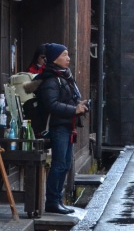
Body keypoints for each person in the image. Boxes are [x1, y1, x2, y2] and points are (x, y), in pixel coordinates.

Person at [24, 43, 87, 214]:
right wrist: (74, 109)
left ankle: (57, 200)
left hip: (67, 125)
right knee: (59, 164)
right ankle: (52, 201)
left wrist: (79, 104)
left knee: (65, 164)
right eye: (64, 55)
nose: (68, 58)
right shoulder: (51, 78)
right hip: (57, 126)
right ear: (54, 58)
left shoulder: (64, 76)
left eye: (68, 55)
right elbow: (51, 104)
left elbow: (66, 99)